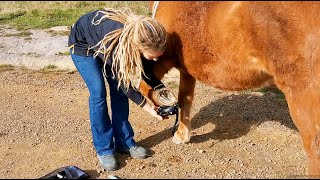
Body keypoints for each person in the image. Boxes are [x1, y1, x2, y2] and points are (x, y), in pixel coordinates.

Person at [68, 7, 169, 171]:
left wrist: (161, 93)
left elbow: (148, 71)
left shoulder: (145, 37)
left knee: (118, 93)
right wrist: (150, 109)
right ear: (140, 46)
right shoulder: (119, 47)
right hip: (83, 46)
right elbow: (125, 84)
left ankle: (125, 143)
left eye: (159, 55)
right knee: (98, 92)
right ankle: (104, 149)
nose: (156, 58)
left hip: (104, 44)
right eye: (154, 55)